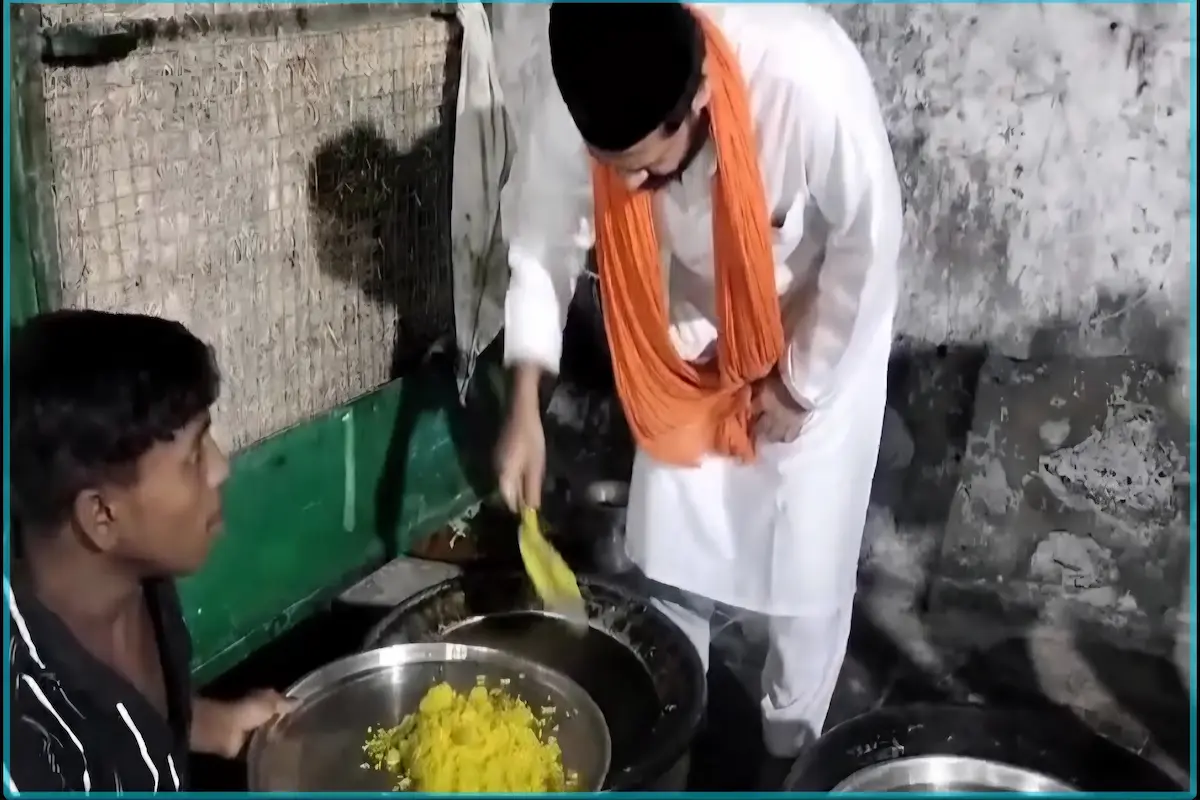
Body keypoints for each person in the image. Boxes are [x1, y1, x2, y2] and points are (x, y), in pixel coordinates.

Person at [495, 3, 902, 758]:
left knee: (806, 581)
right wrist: (525, 406)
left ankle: (793, 753)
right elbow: (543, 245)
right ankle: (675, 732)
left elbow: (870, 242)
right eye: (615, 172)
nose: (631, 186)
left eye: (647, 167)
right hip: (683, 342)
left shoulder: (805, 73)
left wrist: (799, 385)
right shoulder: (582, 90)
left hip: (816, 327)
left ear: (702, 97)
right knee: (673, 562)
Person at [7, 309, 293, 792]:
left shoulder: (137, 575)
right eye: (194, 455)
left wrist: (215, 725)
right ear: (101, 515)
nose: (221, 468)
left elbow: (130, 725)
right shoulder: (30, 743)